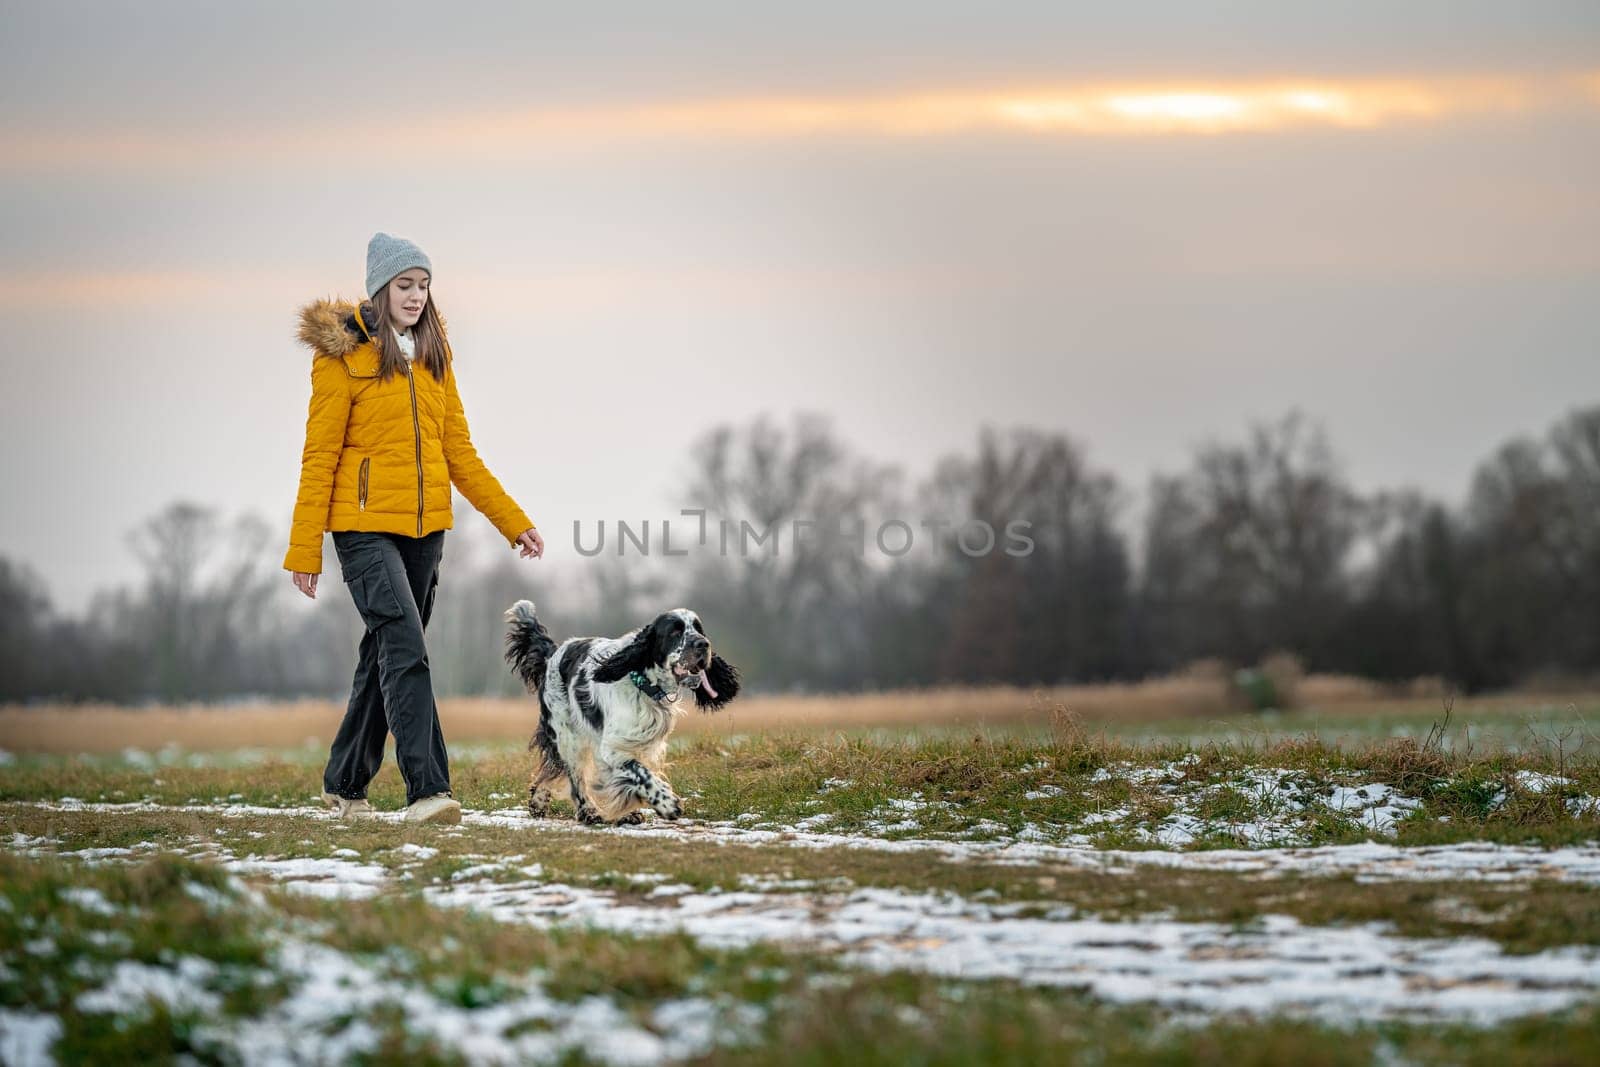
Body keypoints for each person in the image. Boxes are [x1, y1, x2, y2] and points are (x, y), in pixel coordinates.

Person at [282, 232, 544, 824]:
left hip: (426, 533)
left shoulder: (434, 359)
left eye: (424, 286)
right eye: (406, 285)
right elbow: (318, 457)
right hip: (362, 528)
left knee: (387, 647)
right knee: (407, 649)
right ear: (380, 288)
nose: (417, 296)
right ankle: (429, 790)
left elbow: (460, 453)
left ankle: (345, 782)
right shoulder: (341, 359)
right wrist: (306, 549)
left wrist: (512, 521)